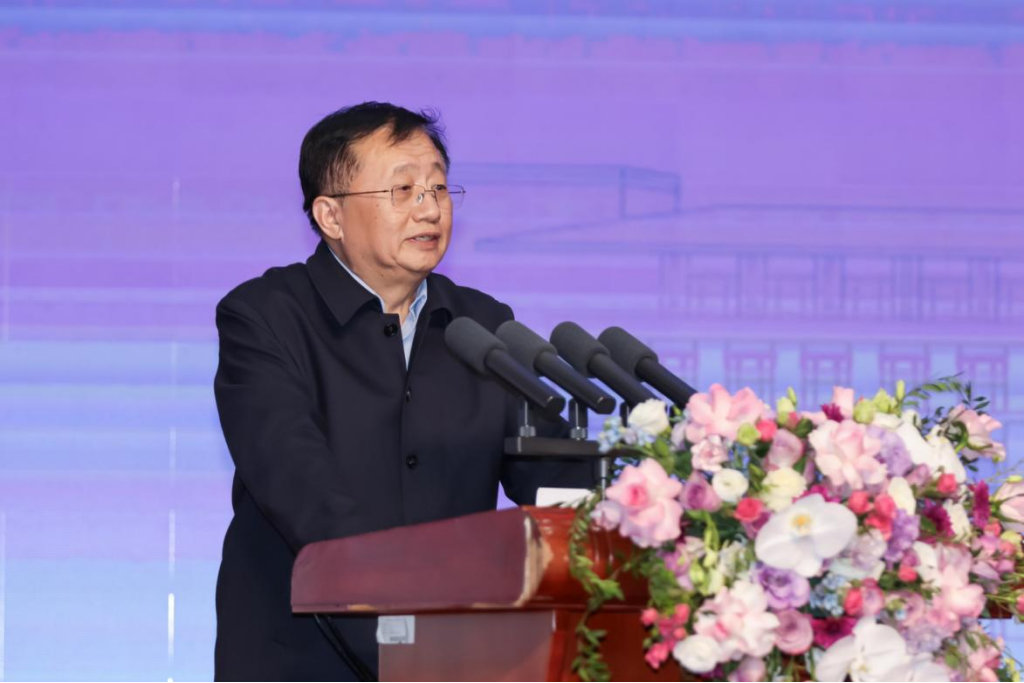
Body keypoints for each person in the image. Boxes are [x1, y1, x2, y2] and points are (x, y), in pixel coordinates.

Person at [212, 102, 594, 681]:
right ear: (330, 216)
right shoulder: (265, 318)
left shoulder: (483, 327)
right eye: (403, 190)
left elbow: (551, 477)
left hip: (455, 657)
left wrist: (642, 514)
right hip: (303, 661)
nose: (430, 207)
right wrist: (412, 639)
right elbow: (303, 492)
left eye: (438, 187)